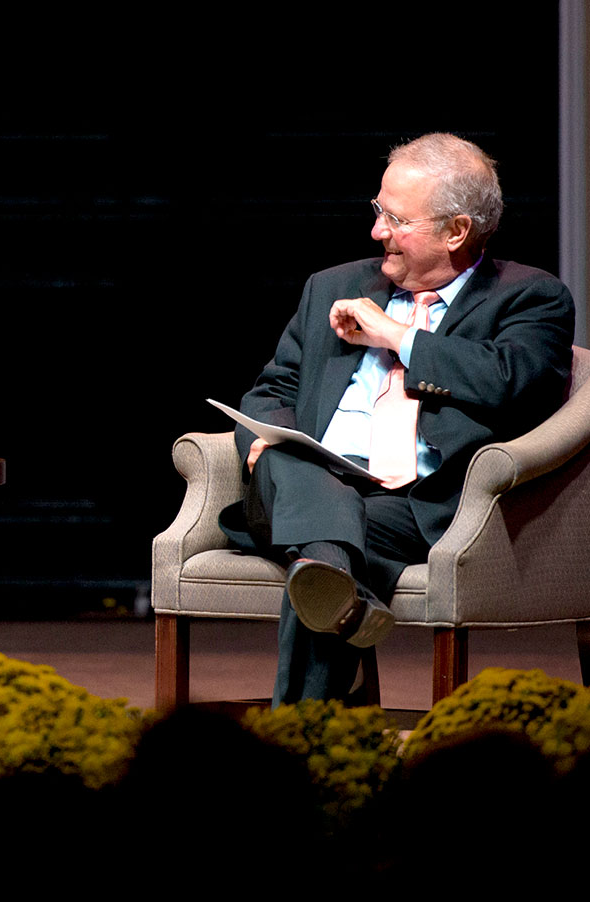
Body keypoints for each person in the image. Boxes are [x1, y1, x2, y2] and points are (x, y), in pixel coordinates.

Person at [221, 133, 575, 705]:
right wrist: (260, 443)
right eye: (377, 211)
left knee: (323, 557)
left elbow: (511, 381)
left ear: (456, 231)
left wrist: (400, 337)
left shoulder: (531, 298)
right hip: (301, 481)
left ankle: (327, 600)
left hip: (412, 504)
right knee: (298, 466)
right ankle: (311, 726)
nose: (376, 231)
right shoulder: (332, 287)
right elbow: (272, 390)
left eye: (395, 218)